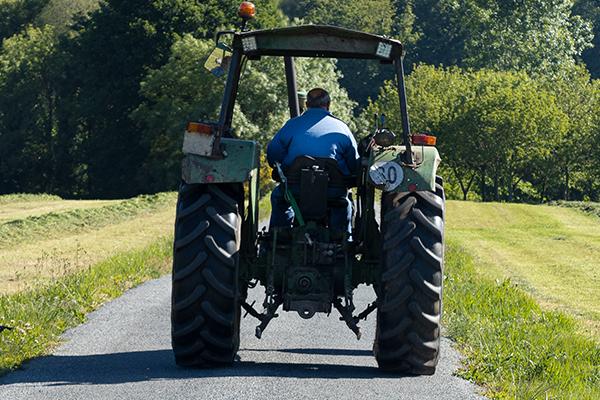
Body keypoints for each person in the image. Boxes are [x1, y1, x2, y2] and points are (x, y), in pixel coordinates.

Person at [266, 88, 359, 236]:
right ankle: (342, 239)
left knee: (280, 198)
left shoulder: (292, 125)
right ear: (328, 104)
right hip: (332, 190)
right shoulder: (342, 128)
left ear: (307, 104)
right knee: (343, 203)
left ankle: (279, 237)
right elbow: (354, 164)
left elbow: (273, 154)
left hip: (295, 189)